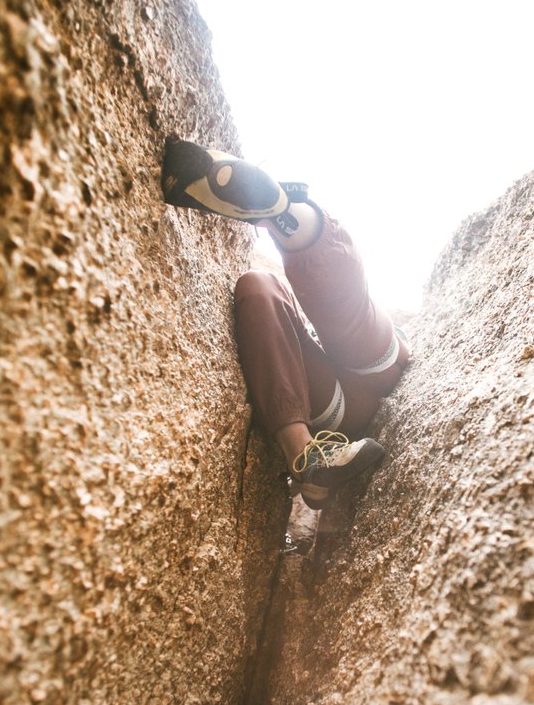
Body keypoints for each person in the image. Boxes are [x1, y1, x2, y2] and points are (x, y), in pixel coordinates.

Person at [161, 138, 410, 510]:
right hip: (365, 373)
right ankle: (292, 220)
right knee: (265, 285)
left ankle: (285, 219)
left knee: (266, 288)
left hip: (337, 398)